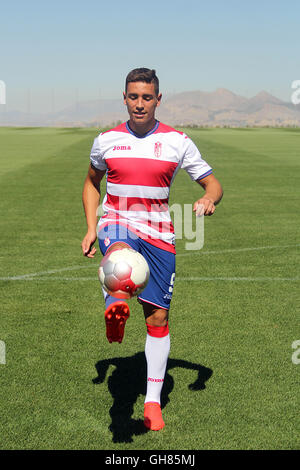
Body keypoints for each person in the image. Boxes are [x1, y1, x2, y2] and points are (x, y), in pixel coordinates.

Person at [81, 68, 223, 431]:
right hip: (117, 223)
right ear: (124, 98)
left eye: (147, 97)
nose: (139, 104)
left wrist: (208, 198)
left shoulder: (178, 141)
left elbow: (212, 184)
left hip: (159, 235)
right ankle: (115, 302)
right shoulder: (107, 140)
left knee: (158, 320)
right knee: (119, 262)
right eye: (133, 97)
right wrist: (90, 228)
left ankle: (153, 402)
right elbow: (91, 183)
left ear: (158, 100)